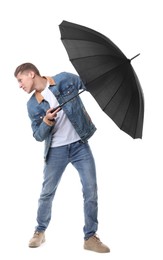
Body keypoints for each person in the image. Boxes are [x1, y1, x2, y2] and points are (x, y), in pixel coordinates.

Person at [14, 63, 110, 253]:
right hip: (56, 150)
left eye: (20, 80)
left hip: (80, 146)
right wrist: (46, 121)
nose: (19, 85)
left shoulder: (65, 79)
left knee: (90, 189)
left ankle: (90, 237)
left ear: (31, 74)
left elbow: (87, 84)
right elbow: (38, 136)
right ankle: (39, 232)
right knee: (47, 192)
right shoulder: (32, 105)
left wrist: (104, 75)